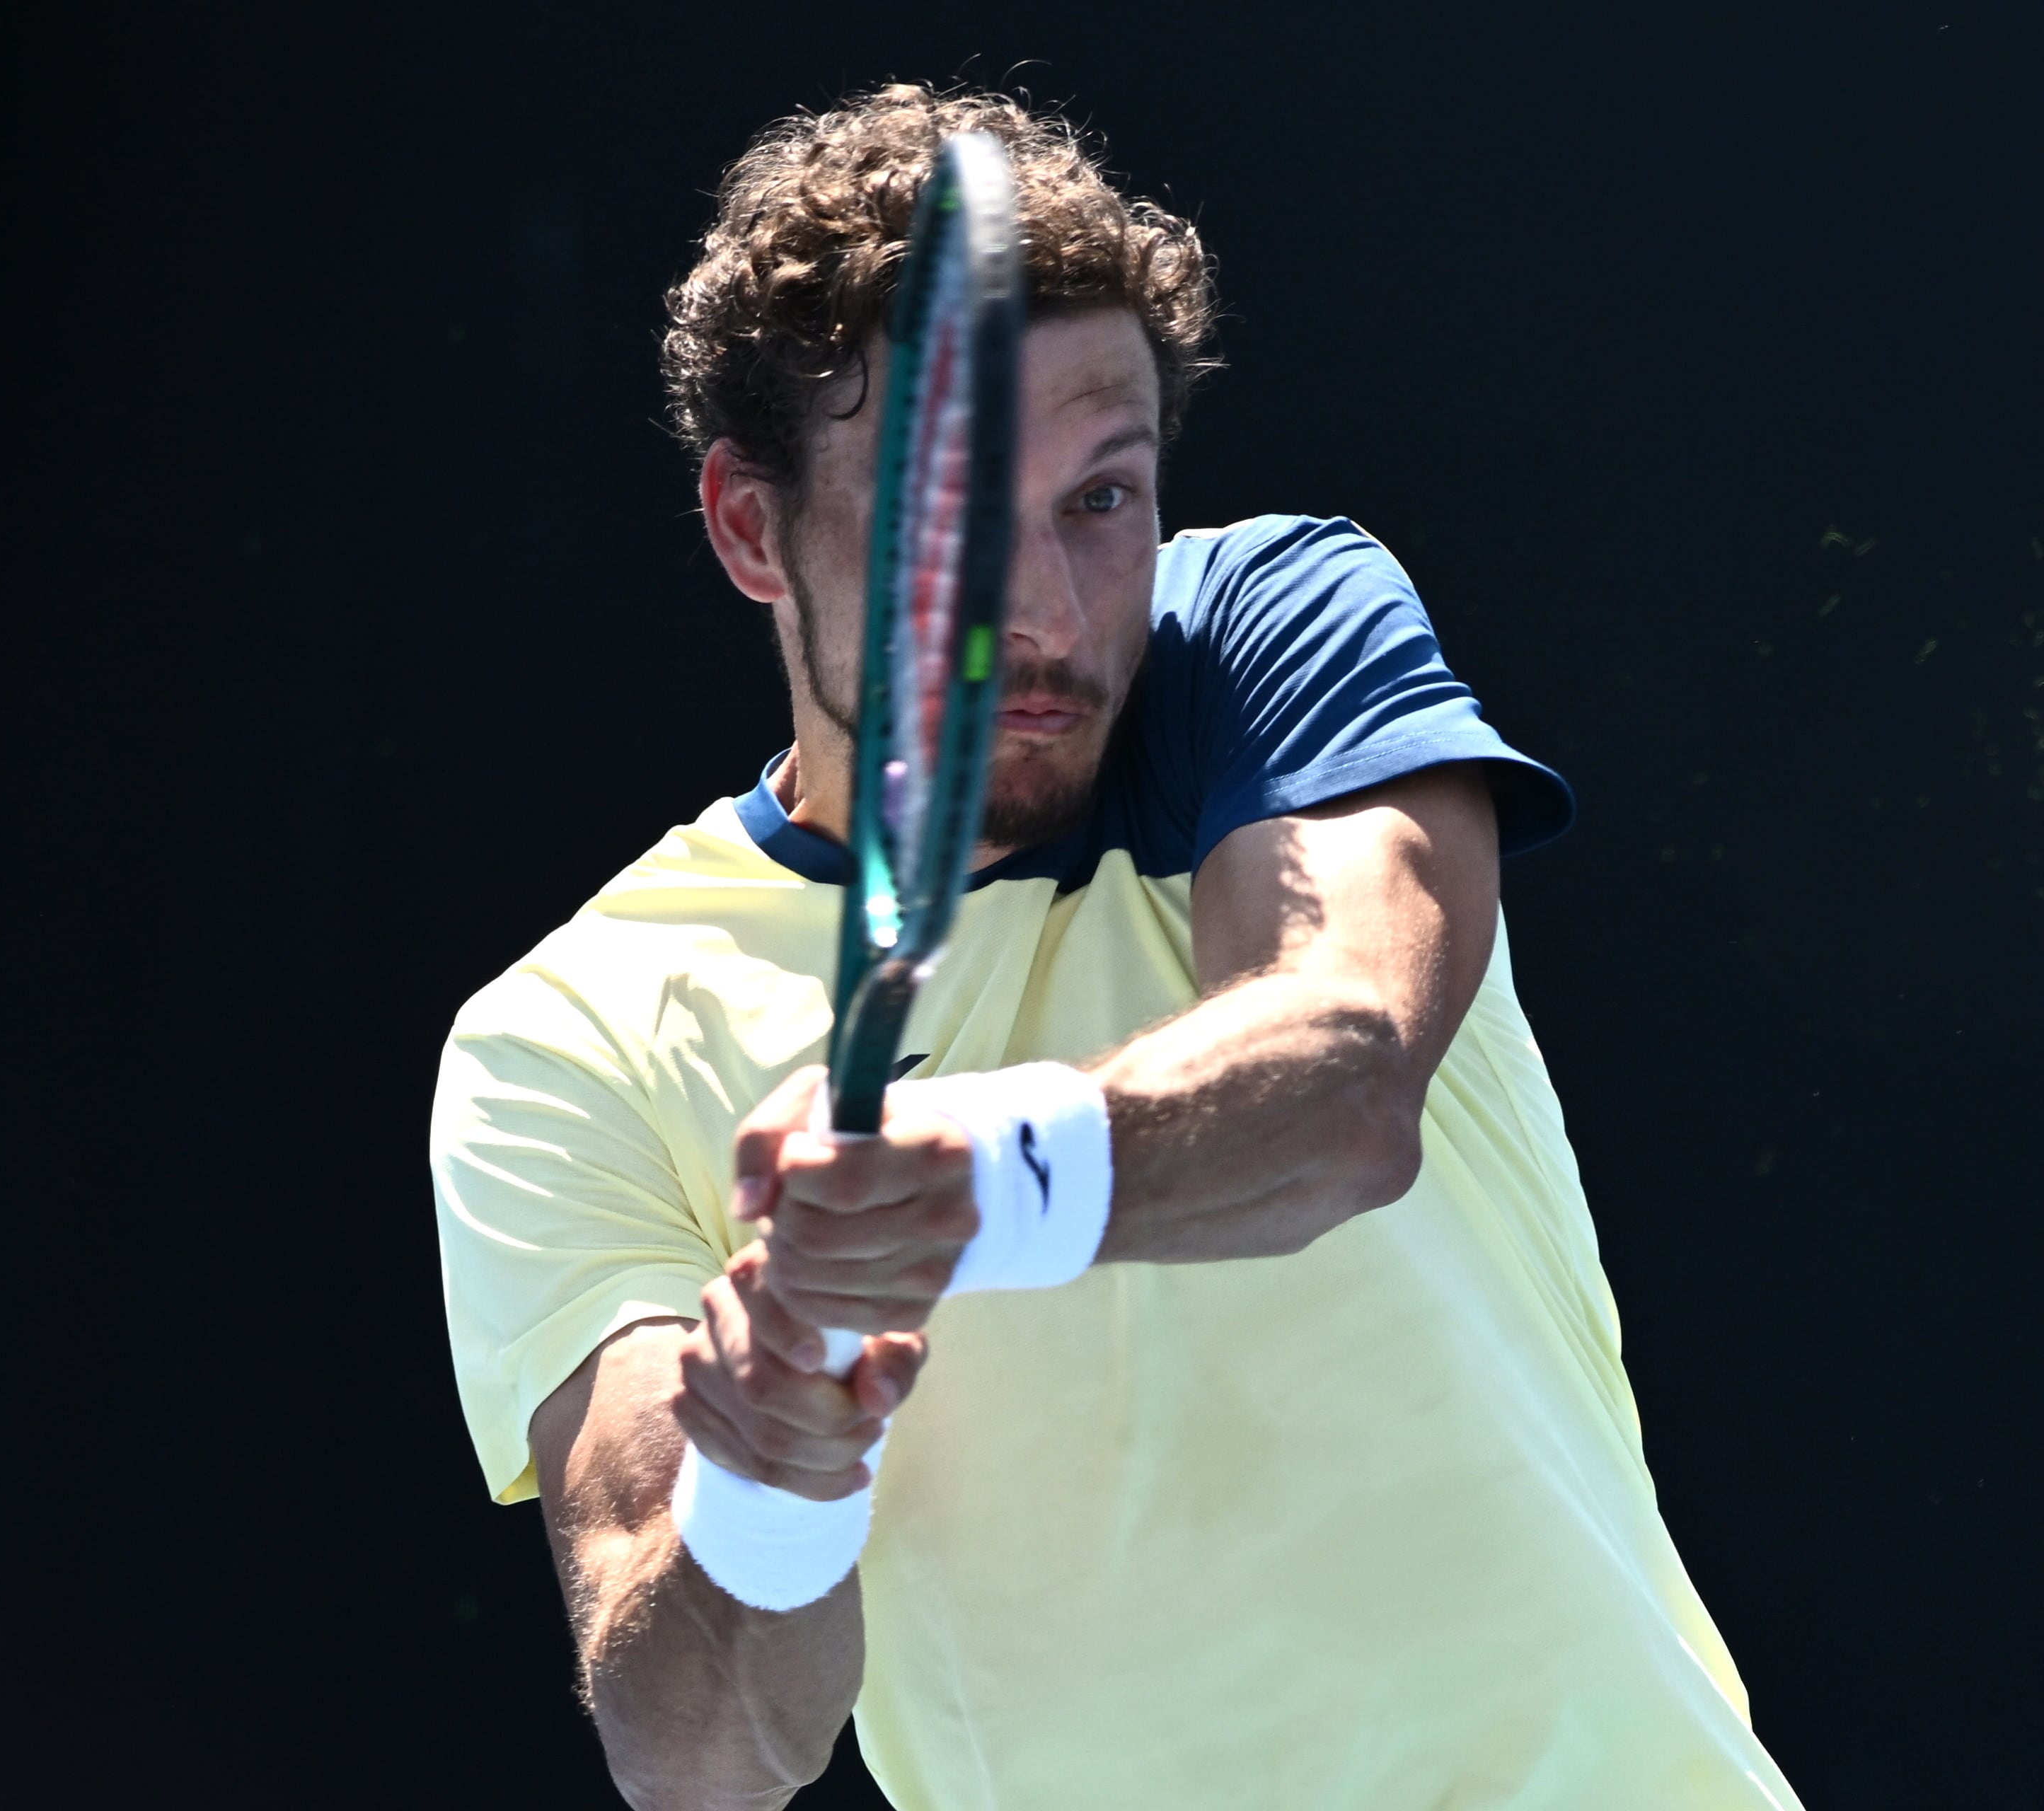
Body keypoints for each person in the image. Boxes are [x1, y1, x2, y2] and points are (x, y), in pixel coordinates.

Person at [429, 84, 1802, 1810]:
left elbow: (1344, 1077)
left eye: (1102, 498)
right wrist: (771, 1484)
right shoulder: (570, 1037)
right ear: (752, 528)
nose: (1057, 618)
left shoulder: (1263, 634)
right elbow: (698, 1757)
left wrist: (965, 1180)